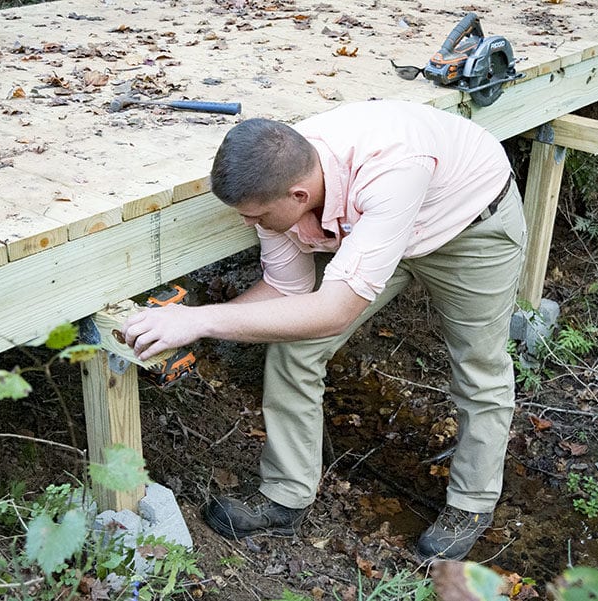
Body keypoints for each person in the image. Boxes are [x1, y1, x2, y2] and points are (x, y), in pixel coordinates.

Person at [121, 99, 527, 561]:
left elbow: (333, 311)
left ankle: (471, 505)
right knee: (295, 346)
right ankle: (285, 495)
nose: (247, 224)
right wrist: (187, 323)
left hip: (467, 225)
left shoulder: (390, 172)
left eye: (255, 216)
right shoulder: (279, 178)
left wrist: (198, 320)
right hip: (373, 227)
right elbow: (286, 290)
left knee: (478, 366)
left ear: (298, 195)